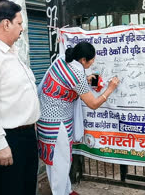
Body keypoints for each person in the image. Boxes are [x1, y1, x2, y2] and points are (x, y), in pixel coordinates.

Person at [37, 41, 119, 195]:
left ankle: (66, 190)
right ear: (83, 60)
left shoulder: (63, 59)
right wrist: (110, 89)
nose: (93, 62)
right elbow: (93, 104)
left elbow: (68, 82)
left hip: (48, 118)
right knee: (59, 163)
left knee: (60, 160)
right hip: (55, 123)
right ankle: (60, 192)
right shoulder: (76, 74)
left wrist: (87, 79)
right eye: (92, 60)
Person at [0, 0, 40, 195]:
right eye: (19, 23)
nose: (22, 29)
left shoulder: (12, 52)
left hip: (27, 136)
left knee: (27, 189)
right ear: (6, 24)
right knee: (10, 190)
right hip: (8, 140)